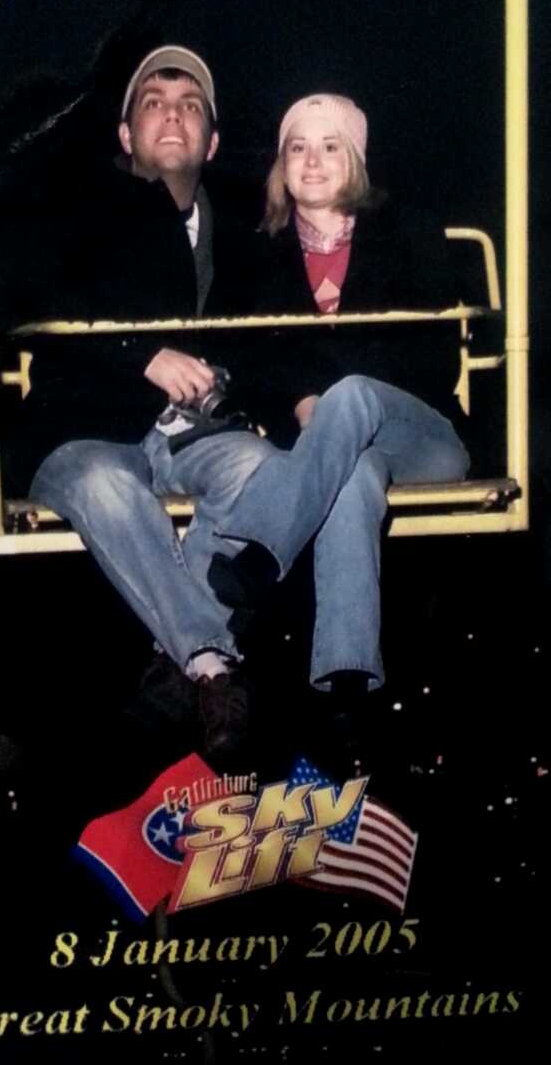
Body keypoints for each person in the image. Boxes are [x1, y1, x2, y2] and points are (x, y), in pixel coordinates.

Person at [26, 46, 272, 756]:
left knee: (263, 469)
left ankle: (175, 661)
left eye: (190, 107)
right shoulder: (73, 206)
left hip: (190, 434)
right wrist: (143, 356)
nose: (172, 116)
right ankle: (211, 664)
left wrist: (230, 380)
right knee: (102, 484)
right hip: (90, 428)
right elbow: (31, 294)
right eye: (153, 104)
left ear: (211, 142)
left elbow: (268, 339)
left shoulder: (240, 229)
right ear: (126, 133)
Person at [206, 93, 471, 752]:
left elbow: (433, 356)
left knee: (351, 395)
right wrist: (298, 400)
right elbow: (248, 361)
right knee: (351, 480)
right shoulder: (259, 256)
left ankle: (262, 549)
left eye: (330, 146)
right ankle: (347, 679)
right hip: (335, 454)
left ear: (355, 159)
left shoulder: (406, 235)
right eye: (298, 147)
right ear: (281, 165)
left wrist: (326, 393)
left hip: (419, 437)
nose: (313, 161)